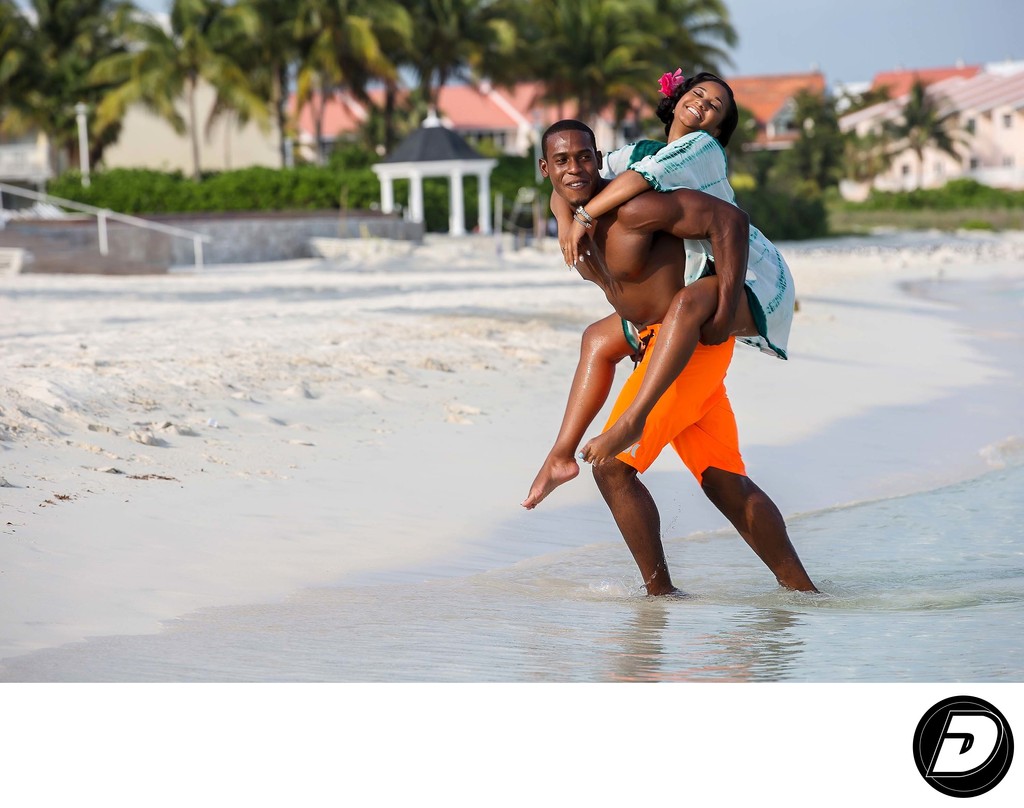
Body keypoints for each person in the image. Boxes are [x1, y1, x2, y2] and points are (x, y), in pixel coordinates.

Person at [523, 119, 816, 596]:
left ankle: (660, 599)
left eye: (584, 157)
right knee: (725, 482)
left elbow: (729, 221)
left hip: (685, 346)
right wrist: (564, 217)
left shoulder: (634, 209)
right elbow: (563, 195)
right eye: (562, 160)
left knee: (613, 465)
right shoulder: (568, 205)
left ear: (599, 159)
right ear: (545, 168)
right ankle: (806, 596)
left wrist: (722, 308)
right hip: (657, 341)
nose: (575, 168)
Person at [551, 71, 795, 465]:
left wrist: (582, 218)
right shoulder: (644, 149)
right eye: (698, 93)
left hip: (749, 275)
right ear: (678, 96)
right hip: (699, 278)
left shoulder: (703, 147)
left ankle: (634, 419)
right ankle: (559, 456)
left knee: (686, 305)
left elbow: (639, 179)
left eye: (715, 106)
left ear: (718, 126)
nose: (703, 103)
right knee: (598, 338)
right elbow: (577, 175)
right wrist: (566, 218)